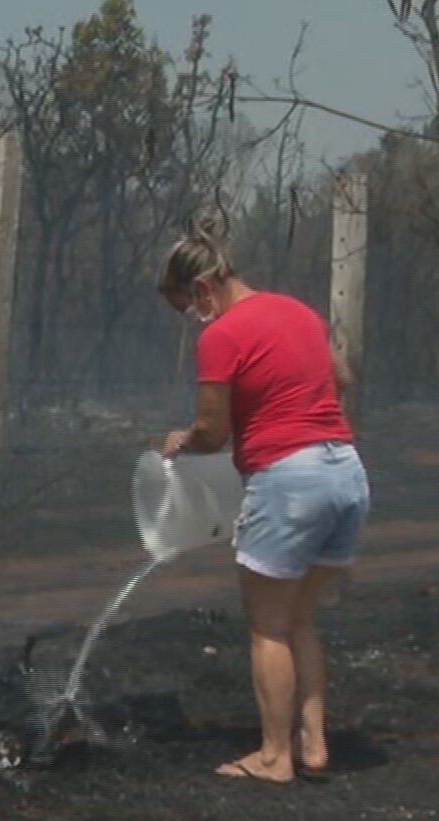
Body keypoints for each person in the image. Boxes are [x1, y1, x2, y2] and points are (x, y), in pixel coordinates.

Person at [156, 222, 370, 785]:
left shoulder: (222, 334)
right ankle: (314, 745)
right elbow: (343, 375)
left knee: (268, 627)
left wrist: (183, 442)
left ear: (204, 288)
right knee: (301, 617)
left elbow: (212, 431)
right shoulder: (299, 312)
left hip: (290, 479)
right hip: (345, 473)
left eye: (190, 308)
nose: (195, 320)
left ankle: (275, 757)